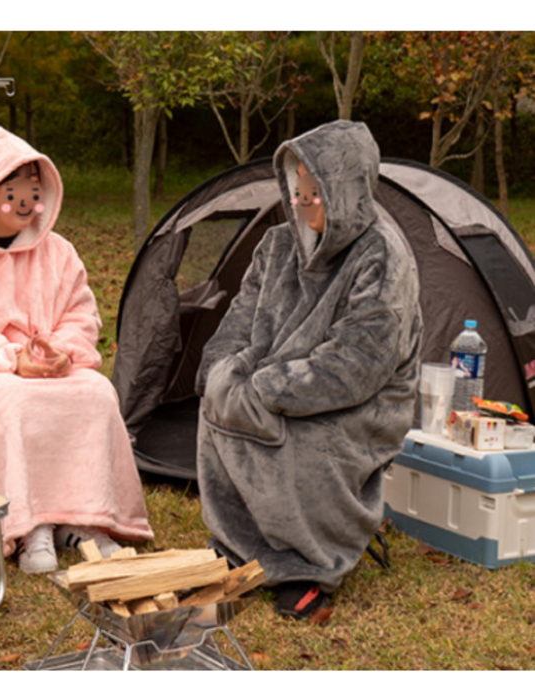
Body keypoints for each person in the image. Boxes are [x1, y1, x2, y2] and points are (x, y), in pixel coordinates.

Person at [195, 120, 423, 618]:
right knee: (218, 407)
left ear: (347, 190)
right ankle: (242, 545)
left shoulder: (383, 256)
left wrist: (268, 390)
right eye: (297, 192)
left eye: (315, 194)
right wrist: (219, 375)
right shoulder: (277, 245)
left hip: (360, 402)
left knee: (302, 440)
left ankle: (311, 565)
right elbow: (238, 320)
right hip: (273, 381)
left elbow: (357, 364)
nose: (302, 204)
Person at [0, 126, 153, 574]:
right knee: (12, 399)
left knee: (95, 391)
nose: (25, 202)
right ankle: (27, 524)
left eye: (33, 191)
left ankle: (85, 520)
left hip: (46, 370)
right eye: (12, 190)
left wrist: (61, 353)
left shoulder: (58, 253)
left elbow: (81, 317)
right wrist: (8, 358)